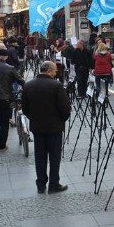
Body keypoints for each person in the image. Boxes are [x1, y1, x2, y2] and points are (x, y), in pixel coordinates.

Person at [22, 61, 71, 193]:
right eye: (55, 71)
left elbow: (25, 108)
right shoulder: (56, 86)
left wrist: (34, 118)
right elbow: (66, 108)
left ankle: (41, 183)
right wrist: (61, 120)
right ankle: (54, 184)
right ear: (49, 71)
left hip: (37, 127)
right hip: (54, 128)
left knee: (40, 156)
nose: (56, 73)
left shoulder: (29, 85)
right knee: (54, 157)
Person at [0, 49, 24, 150]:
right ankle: (2, 145)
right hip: (7, 99)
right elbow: (20, 80)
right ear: (6, 57)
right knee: (4, 122)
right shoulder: (11, 68)